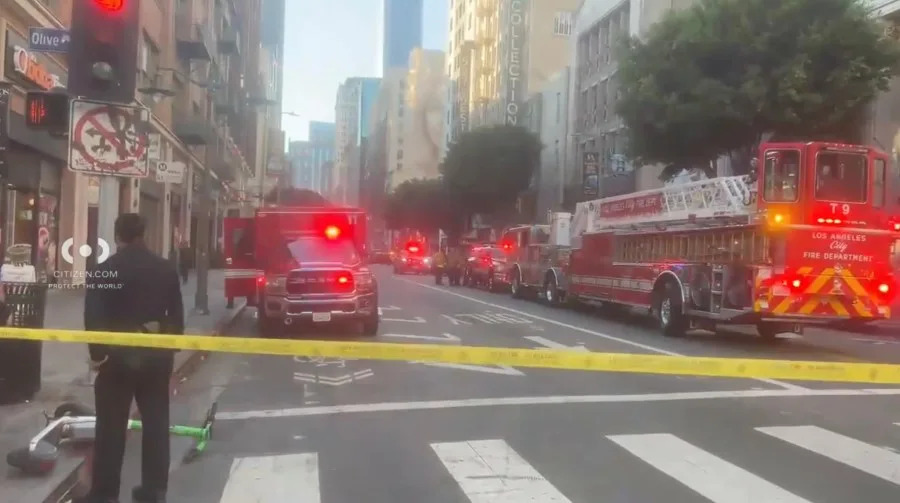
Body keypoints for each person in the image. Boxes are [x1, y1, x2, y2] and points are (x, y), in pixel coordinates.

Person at [75, 214, 184, 503]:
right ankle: (153, 491)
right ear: (143, 234)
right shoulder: (165, 269)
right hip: (155, 358)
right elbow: (176, 317)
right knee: (156, 425)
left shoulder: (104, 271)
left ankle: (105, 493)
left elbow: (94, 319)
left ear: (117, 236)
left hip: (117, 359)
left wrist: (98, 355)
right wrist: (169, 353)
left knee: (110, 429)